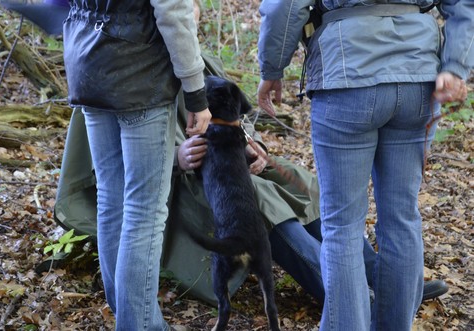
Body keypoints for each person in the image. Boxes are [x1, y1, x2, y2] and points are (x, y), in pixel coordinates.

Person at [165, 52, 449, 310]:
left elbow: (240, 114)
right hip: (198, 183)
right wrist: (178, 157)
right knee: (263, 202)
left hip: (235, 161)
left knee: (304, 184)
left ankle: (384, 282)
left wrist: (257, 147)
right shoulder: (153, 73)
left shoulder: (204, 61)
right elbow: (134, 157)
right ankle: (348, 297)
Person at [257, 1, 472, 330]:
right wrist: (455, 65)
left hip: (346, 71)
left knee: (342, 228)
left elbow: (285, 6)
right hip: (418, 76)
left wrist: (272, 68)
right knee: (401, 218)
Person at [61, 0, 211, 330]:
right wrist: (196, 93)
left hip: (88, 64)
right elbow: (173, 10)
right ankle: (137, 324)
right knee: (143, 213)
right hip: (140, 73)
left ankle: (133, 319)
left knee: (112, 201)